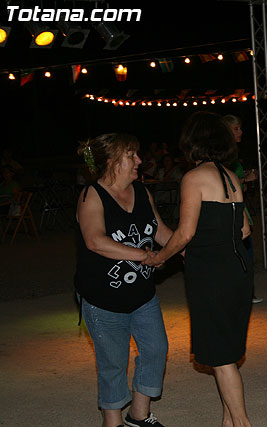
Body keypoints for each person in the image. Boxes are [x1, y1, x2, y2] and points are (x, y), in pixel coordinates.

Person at [144, 111, 253, 427]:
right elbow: (244, 229)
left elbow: (185, 233)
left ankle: (242, 423)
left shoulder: (193, 178)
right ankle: (228, 422)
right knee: (226, 352)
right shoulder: (231, 176)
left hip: (212, 274)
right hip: (238, 269)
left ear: (192, 142)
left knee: (221, 357)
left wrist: (160, 257)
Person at [75, 133, 173, 427]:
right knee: (113, 363)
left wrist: (187, 249)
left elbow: (160, 231)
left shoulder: (142, 191)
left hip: (142, 294)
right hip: (103, 298)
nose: (139, 160)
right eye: (131, 155)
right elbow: (95, 241)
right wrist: (144, 256)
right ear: (111, 162)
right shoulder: (91, 195)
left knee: (156, 349)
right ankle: (113, 421)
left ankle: (139, 415)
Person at [221, 114, 262, 304]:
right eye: (236, 129)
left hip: (239, 208)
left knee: (245, 252)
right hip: (232, 210)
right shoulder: (224, 154)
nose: (241, 132)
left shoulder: (232, 153)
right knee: (241, 252)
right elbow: (224, 182)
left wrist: (243, 178)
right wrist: (245, 179)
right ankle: (241, 294)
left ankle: (245, 292)